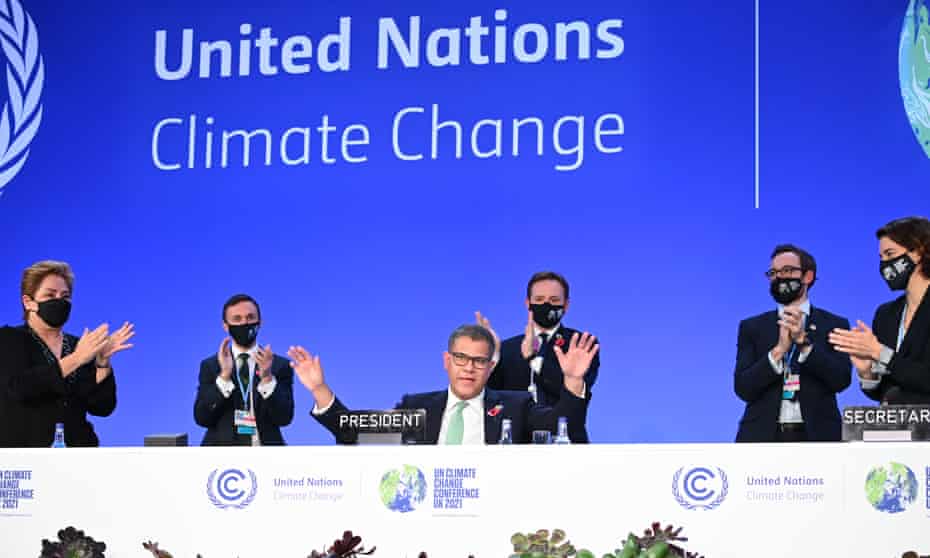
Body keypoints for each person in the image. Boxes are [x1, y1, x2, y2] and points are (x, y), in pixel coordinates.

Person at [291, 323, 597, 444]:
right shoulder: (419, 408)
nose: (469, 369)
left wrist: (572, 379)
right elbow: (356, 431)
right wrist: (320, 390)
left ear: (491, 368)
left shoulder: (515, 407)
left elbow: (564, 425)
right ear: (446, 361)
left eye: (479, 361)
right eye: (461, 358)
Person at [0, 260, 134, 447]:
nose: (59, 301)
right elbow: (19, 388)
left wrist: (102, 363)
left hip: (77, 455)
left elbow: (102, 407)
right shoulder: (9, 339)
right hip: (28, 458)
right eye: (50, 295)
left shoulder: (77, 345)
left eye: (65, 296)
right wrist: (77, 358)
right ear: (28, 302)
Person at [734, 245, 851, 442]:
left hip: (819, 436)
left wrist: (805, 346)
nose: (779, 277)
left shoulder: (833, 324)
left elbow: (841, 380)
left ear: (808, 276)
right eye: (773, 273)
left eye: (787, 270)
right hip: (762, 437)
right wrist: (779, 351)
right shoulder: (752, 327)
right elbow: (743, 387)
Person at [829, 217, 930, 404]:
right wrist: (866, 372)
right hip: (895, 429)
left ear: (918, 252)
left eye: (890, 254)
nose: (885, 265)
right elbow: (884, 392)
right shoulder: (886, 314)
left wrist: (879, 352)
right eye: (881, 258)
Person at [194, 294, 294, 445]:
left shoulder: (279, 365)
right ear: (225, 326)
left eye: (250, 317)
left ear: (260, 322)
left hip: (267, 455)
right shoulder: (211, 366)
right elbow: (202, 418)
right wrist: (224, 377)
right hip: (220, 458)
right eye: (237, 319)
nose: (244, 323)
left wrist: (267, 378)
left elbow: (284, 418)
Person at [487, 271, 600, 405]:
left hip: (563, 425)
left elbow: (578, 394)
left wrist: (534, 359)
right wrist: (487, 358)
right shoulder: (506, 349)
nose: (546, 305)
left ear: (566, 305)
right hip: (516, 425)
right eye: (539, 299)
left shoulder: (582, 345)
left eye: (554, 300)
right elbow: (490, 397)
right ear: (528, 303)